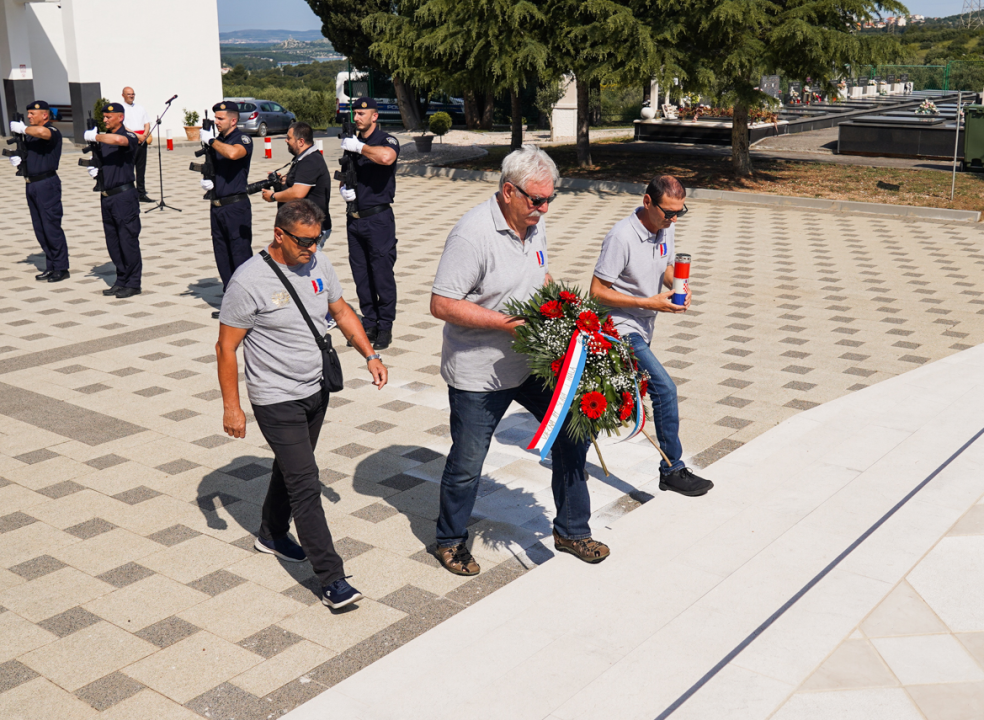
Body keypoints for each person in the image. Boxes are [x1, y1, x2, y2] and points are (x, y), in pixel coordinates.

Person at [429, 144, 608, 576]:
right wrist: (508, 323)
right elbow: (441, 304)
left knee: (572, 432)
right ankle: (449, 540)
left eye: (549, 199)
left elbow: (539, 274)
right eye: (537, 200)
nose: (544, 209)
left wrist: (562, 308)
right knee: (468, 462)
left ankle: (571, 530)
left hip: (531, 364)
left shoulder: (532, 223)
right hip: (479, 372)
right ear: (509, 191)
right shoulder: (472, 235)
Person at [216, 199, 387, 610]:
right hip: (276, 398)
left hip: (315, 388)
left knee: (293, 468)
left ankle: (271, 533)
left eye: (318, 238)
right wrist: (232, 408)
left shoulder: (318, 262)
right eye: (305, 241)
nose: (312, 248)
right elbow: (225, 347)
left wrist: (370, 354)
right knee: (306, 484)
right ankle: (332, 579)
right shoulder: (248, 282)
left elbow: (340, 310)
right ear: (279, 235)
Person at [589, 175, 713, 497]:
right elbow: (596, 292)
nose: (674, 219)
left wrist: (679, 288)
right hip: (618, 327)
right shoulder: (621, 237)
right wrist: (648, 302)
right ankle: (672, 469)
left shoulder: (666, 227)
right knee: (664, 390)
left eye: (679, 213)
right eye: (668, 213)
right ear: (647, 202)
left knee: (611, 395)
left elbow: (666, 269)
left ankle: (572, 450)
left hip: (645, 324)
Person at [339, 98, 399, 350]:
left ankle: (385, 326)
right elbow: (346, 173)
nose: (357, 118)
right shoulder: (351, 142)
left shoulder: (386, 140)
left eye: (362, 113)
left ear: (374, 116)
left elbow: (386, 158)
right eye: (355, 113)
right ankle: (370, 322)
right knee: (361, 275)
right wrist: (343, 188)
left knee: (381, 275)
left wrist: (360, 147)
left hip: (378, 219)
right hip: (354, 219)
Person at [83, 102, 142, 299]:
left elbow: (119, 140)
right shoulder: (104, 139)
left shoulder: (128, 136)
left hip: (124, 197)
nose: (105, 119)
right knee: (113, 242)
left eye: (109, 117)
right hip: (107, 196)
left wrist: (96, 136)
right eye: (104, 117)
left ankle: (133, 283)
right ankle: (121, 279)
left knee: (127, 240)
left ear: (120, 117)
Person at [200, 101, 253, 319]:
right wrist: (208, 180)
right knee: (222, 256)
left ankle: (248, 305)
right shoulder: (218, 141)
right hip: (217, 206)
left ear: (233, 120)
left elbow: (233, 154)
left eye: (220, 118)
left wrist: (211, 141)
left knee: (240, 255)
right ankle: (232, 303)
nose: (216, 122)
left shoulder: (242, 139)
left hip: (235, 207)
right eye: (215, 118)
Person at [9, 100, 69, 282]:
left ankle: (61, 267)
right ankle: (51, 265)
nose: (29, 116)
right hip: (32, 184)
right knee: (40, 228)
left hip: (46, 184)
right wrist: (19, 160)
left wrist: (23, 129)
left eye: (32, 114)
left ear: (44, 115)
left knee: (51, 226)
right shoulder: (31, 135)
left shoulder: (51, 131)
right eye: (28, 114)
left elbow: (44, 133)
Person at [261, 121, 331, 246]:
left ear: (301, 142)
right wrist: (283, 181)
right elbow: (300, 182)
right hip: (302, 226)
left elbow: (297, 193)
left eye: (289, 138)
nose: (286, 140)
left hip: (311, 229)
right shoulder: (303, 158)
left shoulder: (310, 161)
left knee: (305, 259)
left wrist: (273, 196)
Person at [121, 86, 153, 203]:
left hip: (142, 140)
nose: (131, 96)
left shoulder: (140, 108)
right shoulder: (121, 109)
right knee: (129, 168)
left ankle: (141, 193)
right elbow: (123, 126)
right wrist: (137, 136)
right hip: (130, 139)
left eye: (133, 94)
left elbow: (147, 122)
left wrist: (144, 134)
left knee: (141, 168)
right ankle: (129, 192)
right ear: (123, 95)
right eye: (129, 94)